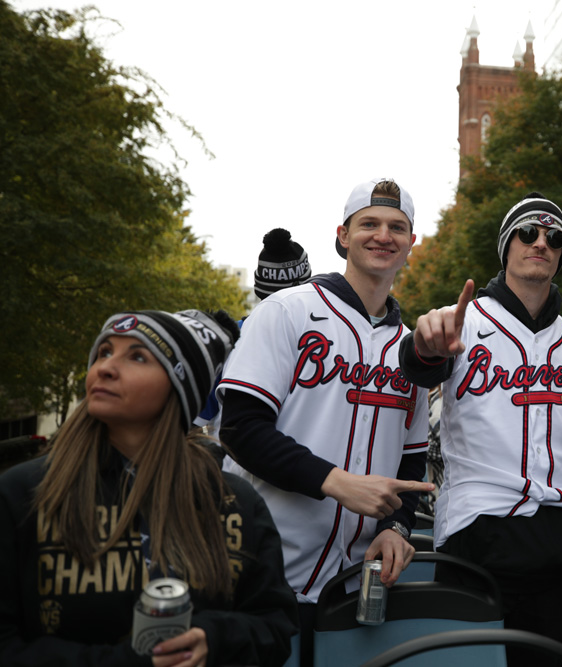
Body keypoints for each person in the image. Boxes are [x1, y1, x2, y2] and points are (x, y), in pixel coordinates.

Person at [0, 309, 299, 667]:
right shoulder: (22, 493)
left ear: (180, 388)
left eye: (138, 357)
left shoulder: (234, 502)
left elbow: (276, 629)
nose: (105, 368)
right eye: (104, 352)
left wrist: (214, 638)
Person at [217, 178, 435, 666]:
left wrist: (397, 527)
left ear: (411, 245)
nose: (384, 235)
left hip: (356, 583)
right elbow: (240, 428)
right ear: (342, 235)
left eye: (397, 227)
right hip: (263, 566)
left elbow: (412, 459)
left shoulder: (413, 347)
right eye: (369, 224)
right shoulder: (287, 311)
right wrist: (333, 481)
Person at [398, 192, 562, 666]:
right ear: (506, 247)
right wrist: (424, 345)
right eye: (527, 232)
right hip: (477, 531)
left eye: (554, 237)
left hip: (554, 541)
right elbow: (419, 365)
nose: (540, 242)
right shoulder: (460, 322)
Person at [194, 227, 312, 442]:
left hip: (231, 466)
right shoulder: (326, 344)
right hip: (312, 470)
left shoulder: (223, 341)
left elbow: (195, 424)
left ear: (259, 289)